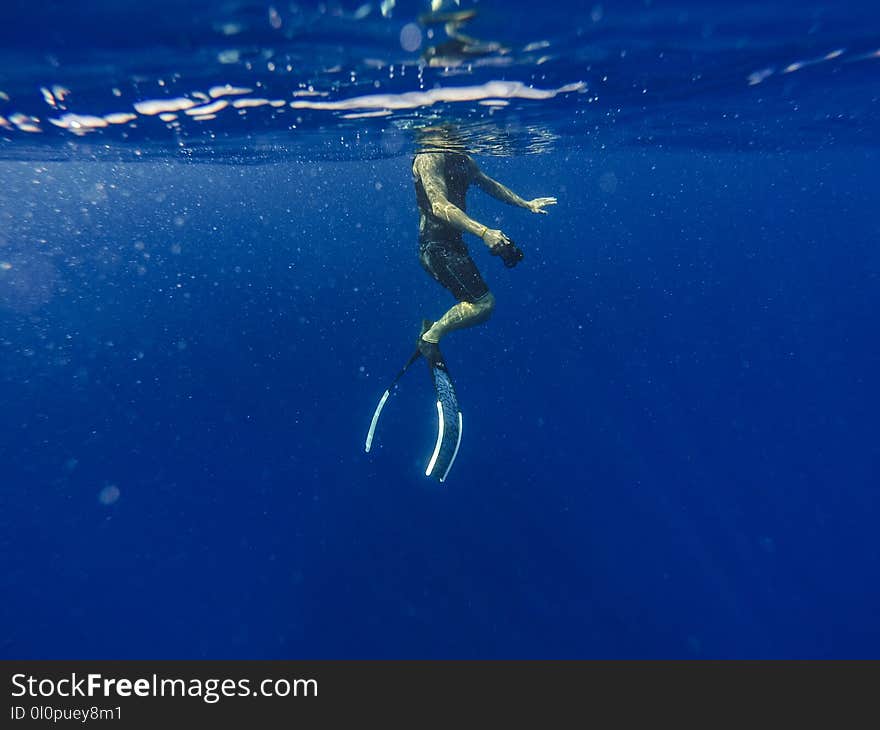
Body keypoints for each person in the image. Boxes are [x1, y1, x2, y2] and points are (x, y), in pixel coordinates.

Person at [412, 127, 557, 364]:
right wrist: (484, 232)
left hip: (453, 244)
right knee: (484, 304)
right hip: (435, 247)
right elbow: (439, 206)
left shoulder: (462, 158)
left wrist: (526, 204)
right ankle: (430, 338)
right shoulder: (430, 157)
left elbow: (488, 184)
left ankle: (432, 332)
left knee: (482, 303)